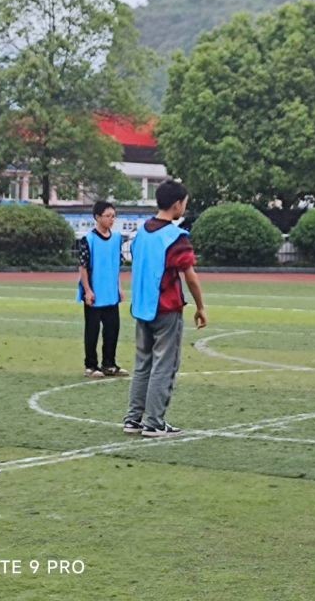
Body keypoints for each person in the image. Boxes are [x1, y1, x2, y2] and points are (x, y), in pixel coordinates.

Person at [123, 180, 208, 438]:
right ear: (176, 205)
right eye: (185, 203)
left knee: (143, 364)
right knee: (164, 365)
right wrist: (200, 306)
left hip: (141, 306)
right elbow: (190, 276)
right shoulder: (175, 238)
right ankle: (154, 422)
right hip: (166, 308)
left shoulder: (141, 233)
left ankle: (134, 419)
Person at [77, 200, 127, 378]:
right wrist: (88, 290)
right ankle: (91, 365)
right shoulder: (88, 240)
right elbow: (83, 267)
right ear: (97, 217)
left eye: (113, 216)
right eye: (108, 216)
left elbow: (116, 266)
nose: (111, 219)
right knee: (92, 330)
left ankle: (109, 364)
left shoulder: (116, 239)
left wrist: (119, 288)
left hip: (111, 293)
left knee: (112, 329)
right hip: (95, 293)